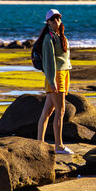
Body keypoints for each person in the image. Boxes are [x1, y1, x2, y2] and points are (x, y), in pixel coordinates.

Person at [37, 9, 74, 154]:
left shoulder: (61, 35)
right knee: (61, 111)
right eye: (53, 20)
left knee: (48, 111)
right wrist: (52, 80)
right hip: (56, 75)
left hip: (64, 73)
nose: (56, 22)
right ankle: (58, 146)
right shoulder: (49, 38)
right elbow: (49, 61)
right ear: (48, 22)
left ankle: (39, 144)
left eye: (58, 19)